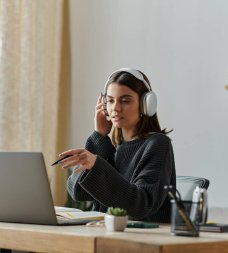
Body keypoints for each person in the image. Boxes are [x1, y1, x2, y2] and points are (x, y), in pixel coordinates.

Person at [59, 68, 176, 223]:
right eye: (110, 101)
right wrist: (98, 136)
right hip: (107, 234)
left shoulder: (158, 144)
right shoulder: (112, 147)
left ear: (146, 104)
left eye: (125, 100)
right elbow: (77, 192)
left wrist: (95, 164)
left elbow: (141, 205)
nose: (115, 108)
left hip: (142, 239)